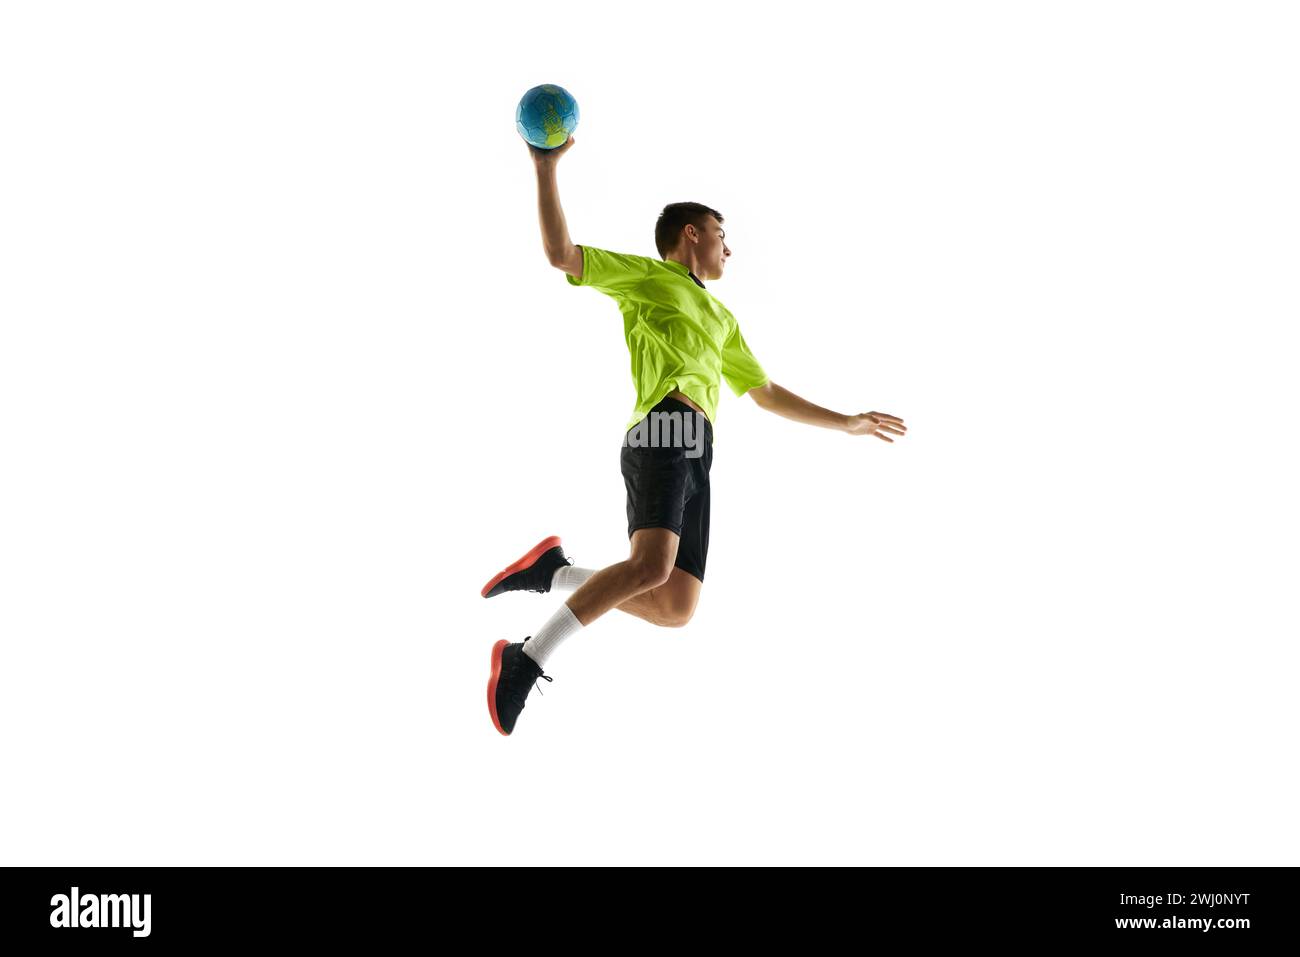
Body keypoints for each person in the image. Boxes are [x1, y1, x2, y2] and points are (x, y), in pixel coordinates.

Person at [484, 134, 907, 736]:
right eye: (720, 235)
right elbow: (561, 254)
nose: (728, 249)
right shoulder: (649, 279)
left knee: (675, 605)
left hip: (700, 447)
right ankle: (525, 660)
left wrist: (847, 421)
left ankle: (551, 571)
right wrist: (545, 166)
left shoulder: (723, 319)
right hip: (665, 423)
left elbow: (763, 393)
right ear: (692, 234)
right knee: (651, 568)